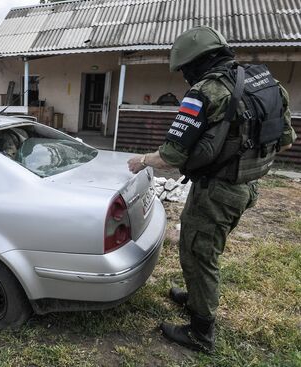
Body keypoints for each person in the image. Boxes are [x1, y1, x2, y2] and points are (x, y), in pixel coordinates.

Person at [127, 26, 297, 353]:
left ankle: (201, 333)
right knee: (205, 248)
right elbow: (287, 140)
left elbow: (172, 155)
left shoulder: (206, 92)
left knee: (199, 253)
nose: (185, 78)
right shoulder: (267, 83)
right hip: (246, 187)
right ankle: (194, 298)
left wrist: (142, 160)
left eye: (184, 71)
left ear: (195, 64)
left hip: (217, 191)